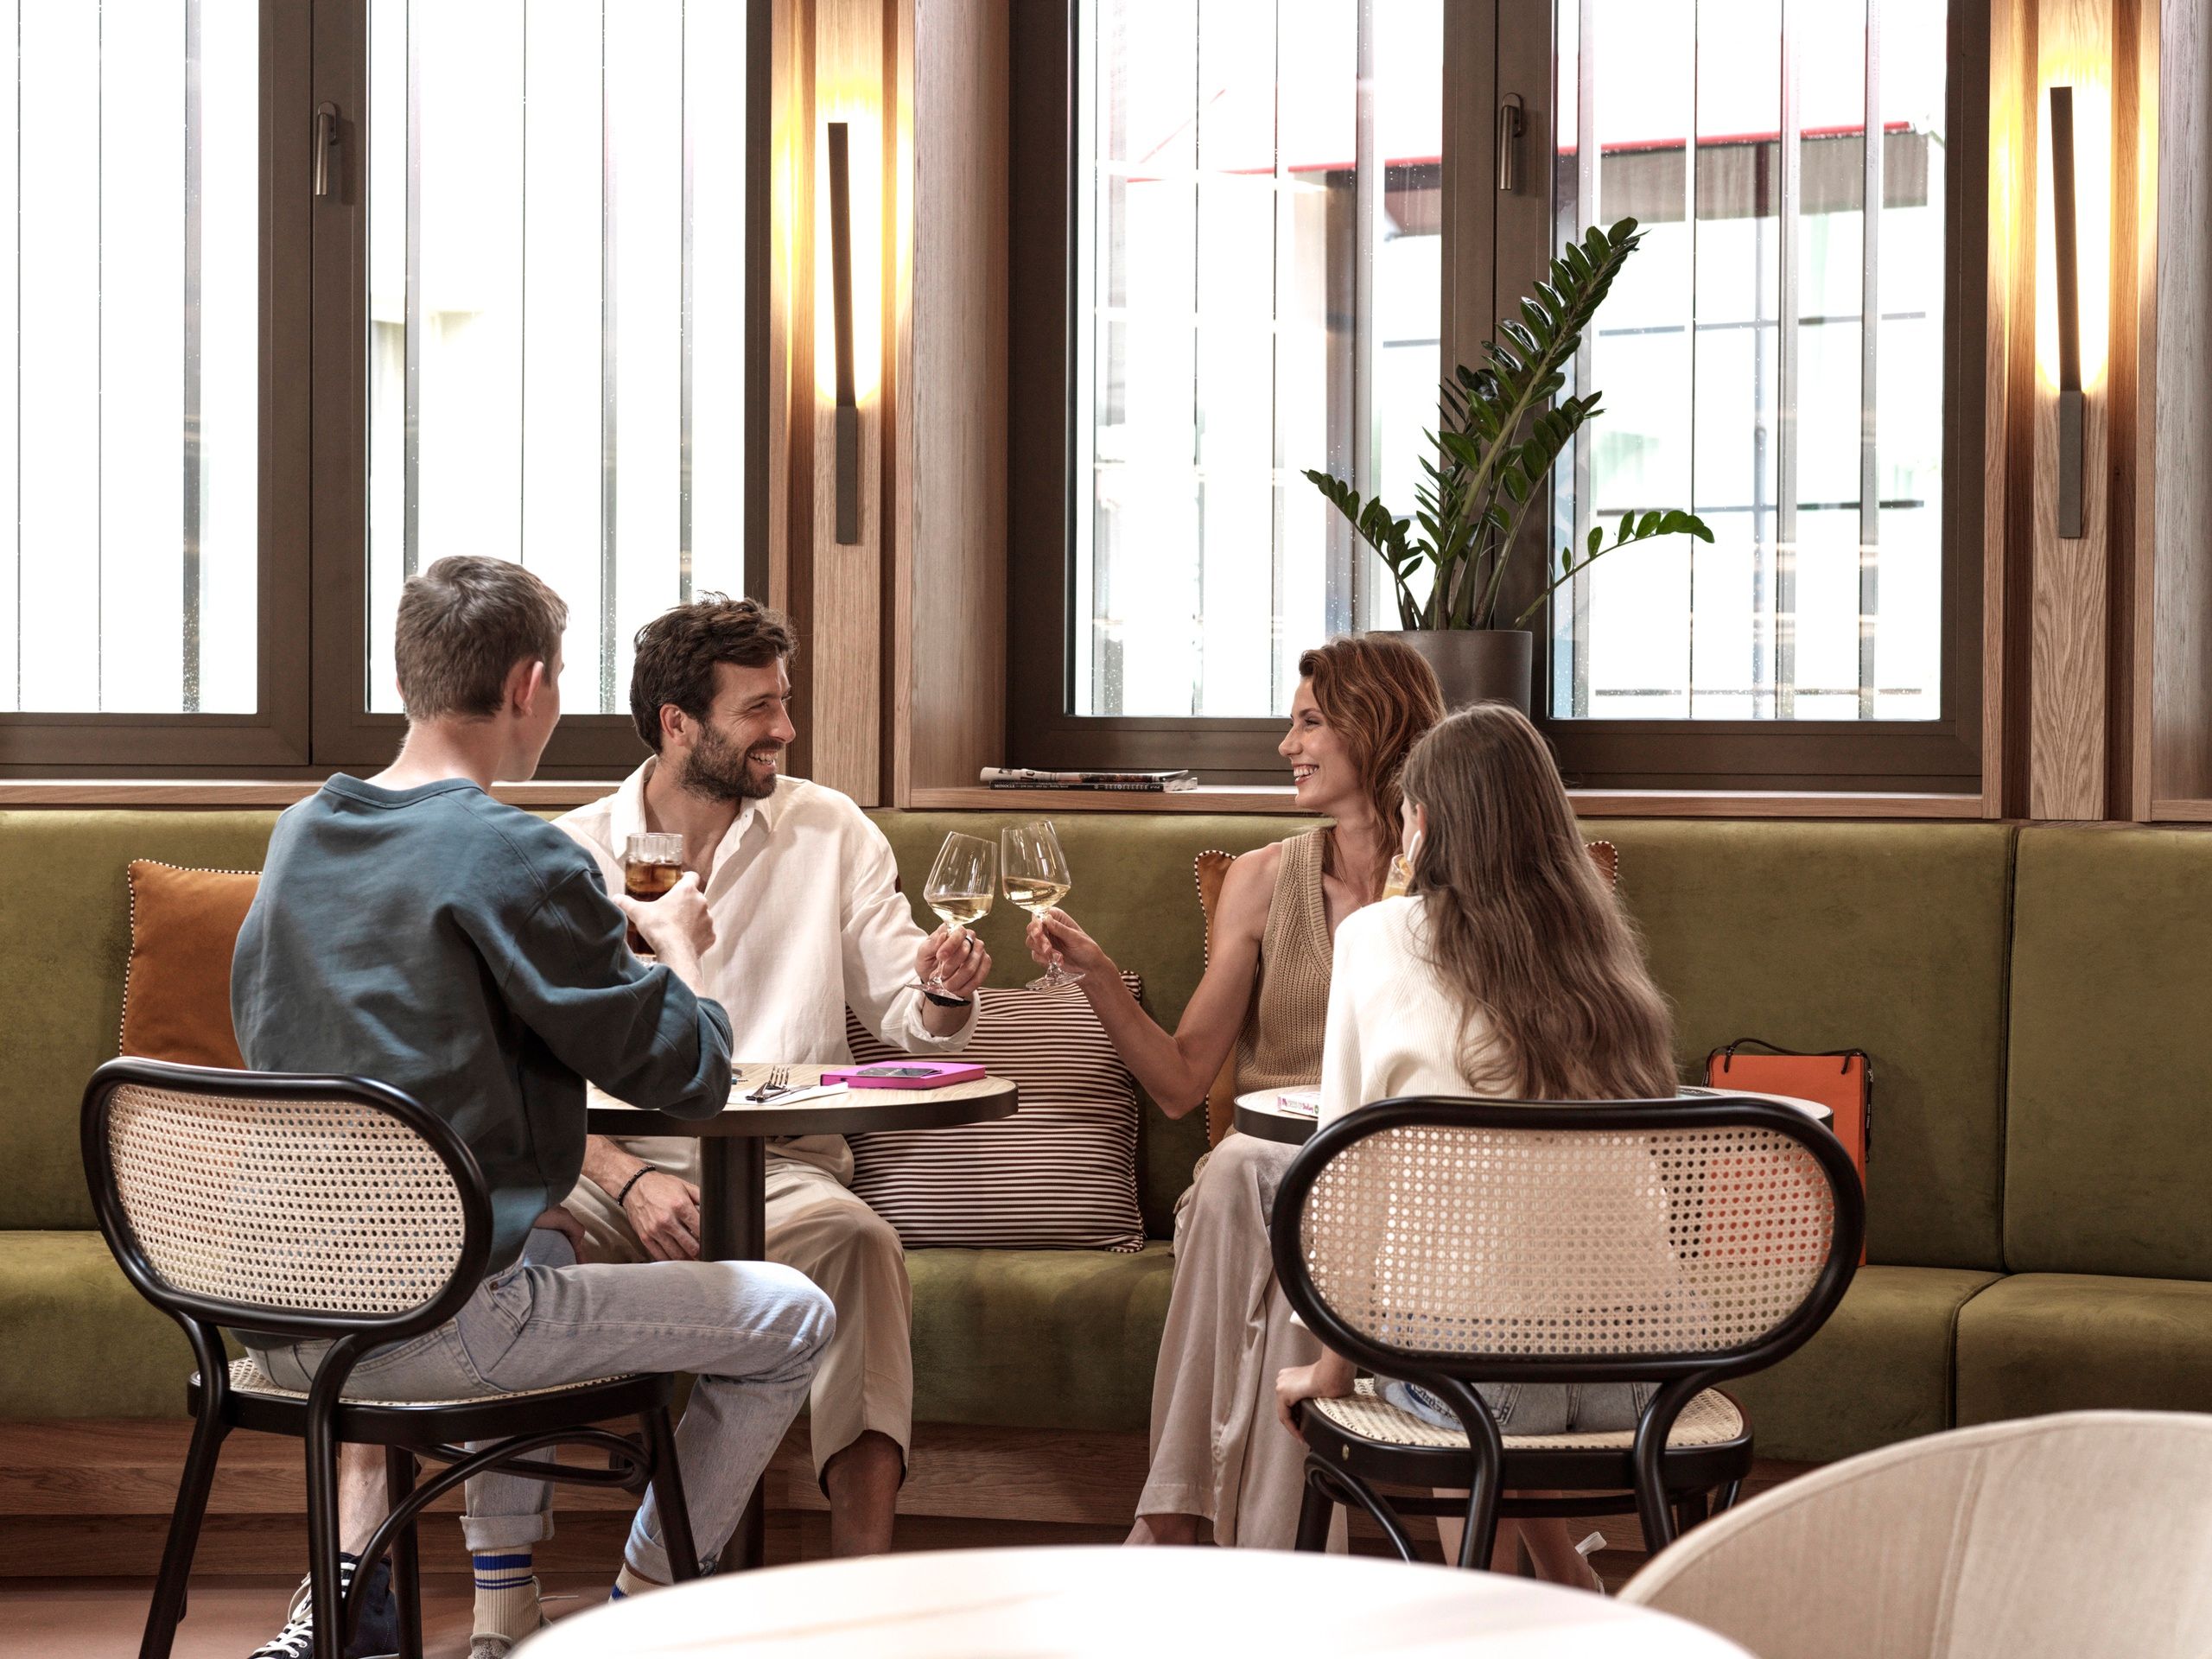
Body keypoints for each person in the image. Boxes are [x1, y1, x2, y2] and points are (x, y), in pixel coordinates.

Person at [239, 558, 834, 1659]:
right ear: (528, 685)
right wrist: (682, 953)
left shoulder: (299, 835)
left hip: (281, 1325)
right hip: (444, 1325)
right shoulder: (514, 851)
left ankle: (350, 1598)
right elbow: (688, 1071)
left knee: (548, 1241)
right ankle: (649, 1616)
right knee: (791, 1315)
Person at [549, 596, 988, 1575]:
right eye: (757, 709)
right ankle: (505, 1603)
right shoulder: (569, 853)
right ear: (677, 721)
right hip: (612, 1169)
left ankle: (859, 1595)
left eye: (783, 703)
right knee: (523, 1239)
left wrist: (943, 989)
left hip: (784, 1167)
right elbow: (527, 1073)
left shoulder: (828, 831)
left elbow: (908, 1010)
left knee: (861, 1244)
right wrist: (626, 1178)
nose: (784, 729)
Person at [1024, 637, 1444, 1548]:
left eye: (1307, 724)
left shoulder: (1461, 880)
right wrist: (1095, 973)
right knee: (1240, 1176)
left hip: (1414, 1177)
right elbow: (1179, 1082)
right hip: (1271, 1167)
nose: (1286, 747)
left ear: (1373, 729)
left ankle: (1200, 1536)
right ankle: (1187, 1517)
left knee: (1275, 1203)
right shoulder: (1260, 880)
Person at [1274, 701, 1678, 1588]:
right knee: (1500, 1375)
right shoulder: (1600, 946)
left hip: (1481, 1381)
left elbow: (1343, 1172)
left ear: (1423, 824)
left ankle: (1490, 1617)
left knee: (1477, 1382)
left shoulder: (1377, 936)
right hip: (1645, 1379)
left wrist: (1327, 1367)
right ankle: (1568, 1583)